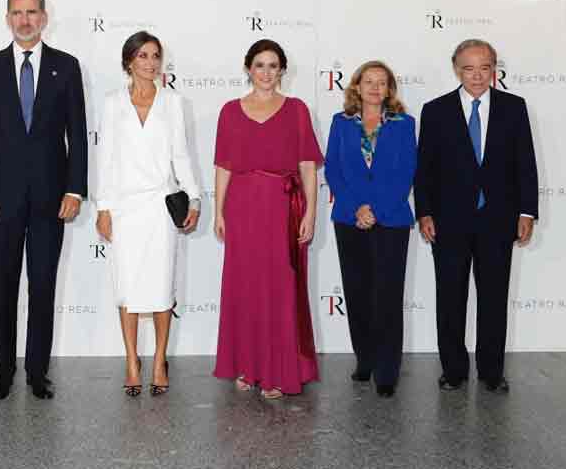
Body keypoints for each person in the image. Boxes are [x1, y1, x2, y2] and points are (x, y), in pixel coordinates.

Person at [0, 0, 88, 400]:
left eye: (32, 12)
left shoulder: (67, 67)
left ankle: (37, 371)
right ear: (7, 18)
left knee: (43, 285)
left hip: (51, 200)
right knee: (3, 286)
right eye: (17, 13)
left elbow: (77, 135)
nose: (25, 20)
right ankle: (3, 370)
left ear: (44, 17)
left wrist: (75, 188)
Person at [415, 39, 538, 394]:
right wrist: (424, 212)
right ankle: (453, 370)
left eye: (485, 67)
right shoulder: (436, 110)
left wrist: (527, 210)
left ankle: (491, 372)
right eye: (469, 68)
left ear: (495, 68)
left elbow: (525, 164)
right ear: (457, 70)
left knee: (494, 298)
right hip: (448, 221)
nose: (478, 75)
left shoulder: (514, 108)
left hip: (498, 221)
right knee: (450, 298)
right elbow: (425, 170)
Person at [212, 39, 323, 400]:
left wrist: (310, 211)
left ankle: (279, 369)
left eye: (273, 65)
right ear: (248, 68)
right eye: (259, 65)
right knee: (244, 287)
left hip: (282, 208)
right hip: (242, 208)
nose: (266, 72)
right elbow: (223, 165)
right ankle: (247, 364)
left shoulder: (297, 109)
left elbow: (307, 164)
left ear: (282, 71)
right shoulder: (230, 110)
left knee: (280, 288)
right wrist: (218, 211)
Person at [95, 31, 199, 397]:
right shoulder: (111, 103)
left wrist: (195, 200)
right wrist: (103, 208)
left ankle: (158, 361)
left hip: (160, 207)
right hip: (124, 209)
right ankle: (131, 362)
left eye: (156, 56)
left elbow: (182, 156)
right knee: (127, 288)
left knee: (159, 287)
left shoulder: (173, 103)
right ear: (129, 62)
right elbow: (105, 159)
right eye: (142, 56)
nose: (150, 63)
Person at [324, 61, 417, 398]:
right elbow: (333, 169)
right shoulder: (341, 123)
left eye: (383, 82)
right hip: (350, 219)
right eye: (369, 82)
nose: (376, 88)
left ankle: (387, 371)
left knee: (388, 298)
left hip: (391, 220)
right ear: (357, 87)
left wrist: (376, 210)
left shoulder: (405, 124)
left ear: (390, 89)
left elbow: (406, 172)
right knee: (358, 293)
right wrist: (358, 208)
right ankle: (365, 359)